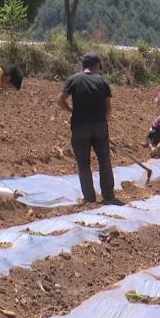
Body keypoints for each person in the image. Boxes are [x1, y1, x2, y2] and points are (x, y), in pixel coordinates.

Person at [57, 51, 121, 205]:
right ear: (97, 65)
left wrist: (71, 111)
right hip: (99, 127)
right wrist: (104, 119)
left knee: (83, 163)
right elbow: (108, 108)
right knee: (104, 160)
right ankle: (108, 195)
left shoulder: (73, 79)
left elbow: (59, 100)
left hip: (80, 127)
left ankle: (89, 197)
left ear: (83, 65)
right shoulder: (102, 82)